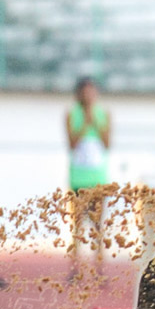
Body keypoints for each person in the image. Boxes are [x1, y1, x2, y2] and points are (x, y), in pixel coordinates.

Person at [65, 76, 111, 280]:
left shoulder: (104, 114)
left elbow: (107, 142)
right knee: (76, 226)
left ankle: (99, 269)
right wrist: (84, 122)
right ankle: (75, 269)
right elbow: (72, 143)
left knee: (99, 226)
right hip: (78, 179)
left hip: (98, 179)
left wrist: (95, 121)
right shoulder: (71, 114)